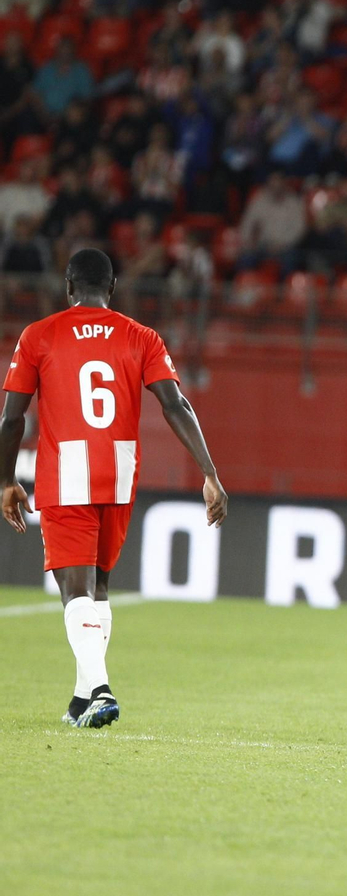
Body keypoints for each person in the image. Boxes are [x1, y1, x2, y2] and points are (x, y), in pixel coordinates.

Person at [0, 249, 227, 729]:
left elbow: (11, 419)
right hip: (119, 474)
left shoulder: (38, 335)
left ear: (67, 287)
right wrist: (210, 474)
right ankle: (83, 698)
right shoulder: (140, 336)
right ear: (113, 287)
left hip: (67, 475)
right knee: (99, 587)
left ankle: (101, 690)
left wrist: (5, 481)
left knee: (73, 589)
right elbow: (176, 404)